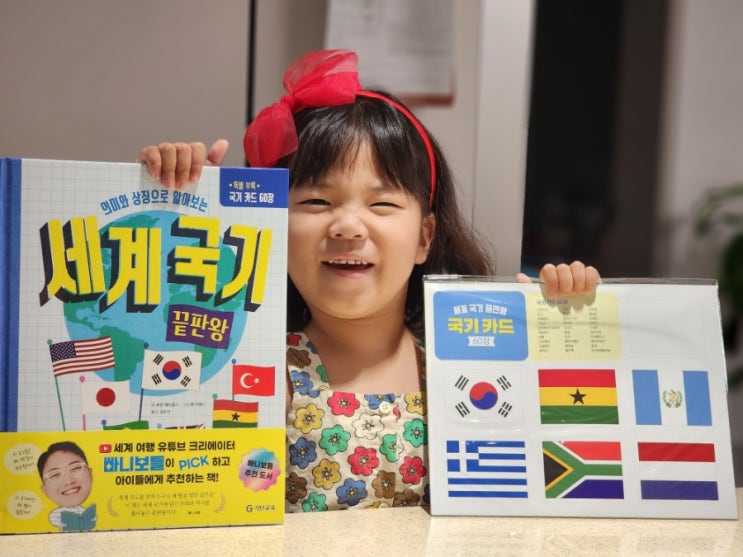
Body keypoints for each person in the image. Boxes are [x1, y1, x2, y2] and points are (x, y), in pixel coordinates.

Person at [138, 49, 600, 512]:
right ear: (271, 226)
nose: (348, 227)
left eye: (381, 204)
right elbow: (182, 485)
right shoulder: (258, 370)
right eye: (316, 202)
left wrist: (559, 335)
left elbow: (553, 469)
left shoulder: (464, 366)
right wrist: (191, 219)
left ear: (424, 237)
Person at [37, 441, 97, 531]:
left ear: (90, 474)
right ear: (45, 490)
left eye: (75, 468)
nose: (68, 481)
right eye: (55, 475)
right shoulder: (55, 517)